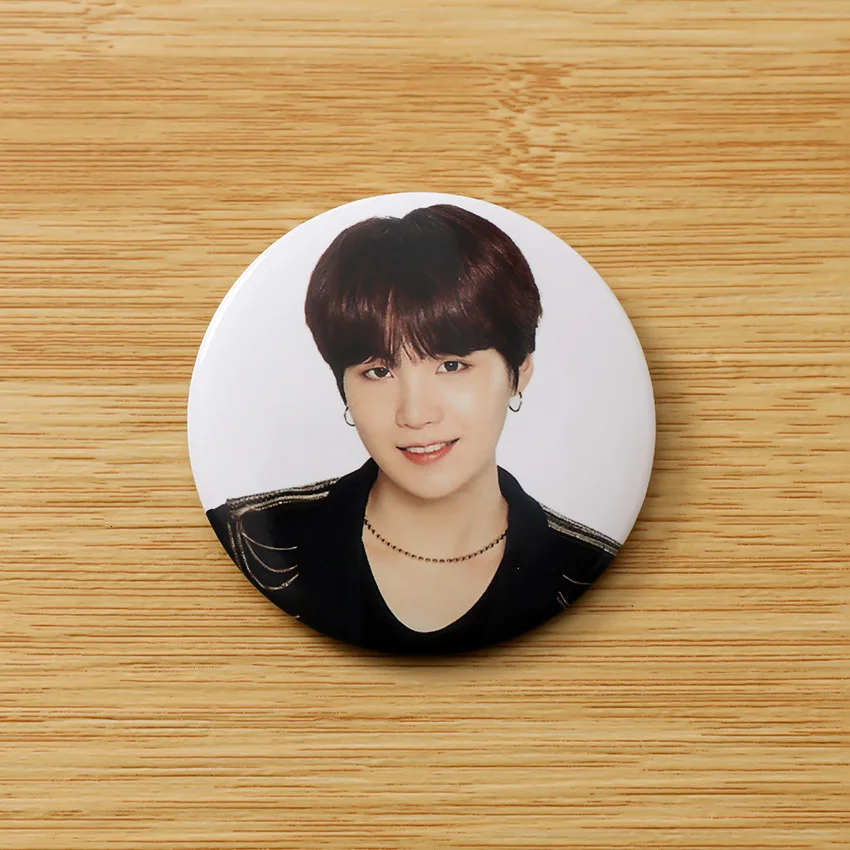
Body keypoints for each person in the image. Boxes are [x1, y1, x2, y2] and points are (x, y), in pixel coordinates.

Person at [207, 204, 619, 654]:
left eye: (452, 365)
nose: (416, 414)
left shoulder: (588, 571)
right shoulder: (243, 540)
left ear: (519, 372)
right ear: (343, 386)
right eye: (378, 371)